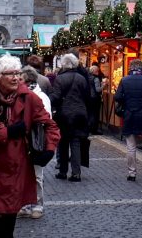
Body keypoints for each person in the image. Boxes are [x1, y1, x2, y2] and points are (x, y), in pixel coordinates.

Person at [0, 55, 60, 238]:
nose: (16, 77)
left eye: (18, 73)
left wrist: (49, 148)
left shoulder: (29, 99)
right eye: (11, 74)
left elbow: (49, 125)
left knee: (7, 228)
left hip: (15, 172)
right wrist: (7, 133)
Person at [18, 65, 52, 220]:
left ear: (28, 81)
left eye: (21, 79)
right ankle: (25, 204)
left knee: (37, 174)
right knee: (23, 174)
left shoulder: (41, 97)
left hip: (36, 139)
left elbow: (47, 119)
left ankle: (38, 204)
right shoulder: (19, 95)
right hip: (22, 140)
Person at [49, 53, 90, 182]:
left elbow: (55, 96)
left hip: (64, 114)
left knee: (63, 142)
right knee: (76, 142)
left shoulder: (60, 79)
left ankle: (63, 171)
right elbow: (88, 96)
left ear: (64, 64)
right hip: (80, 113)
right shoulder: (81, 78)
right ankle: (76, 173)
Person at [88, 63, 105, 134]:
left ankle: (89, 128)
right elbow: (98, 89)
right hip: (95, 98)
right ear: (95, 71)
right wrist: (104, 85)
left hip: (89, 97)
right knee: (95, 114)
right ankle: (94, 129)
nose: (98, 72)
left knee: (90, 113)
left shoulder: (88, 77)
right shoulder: (96, 78)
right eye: (97, 71)